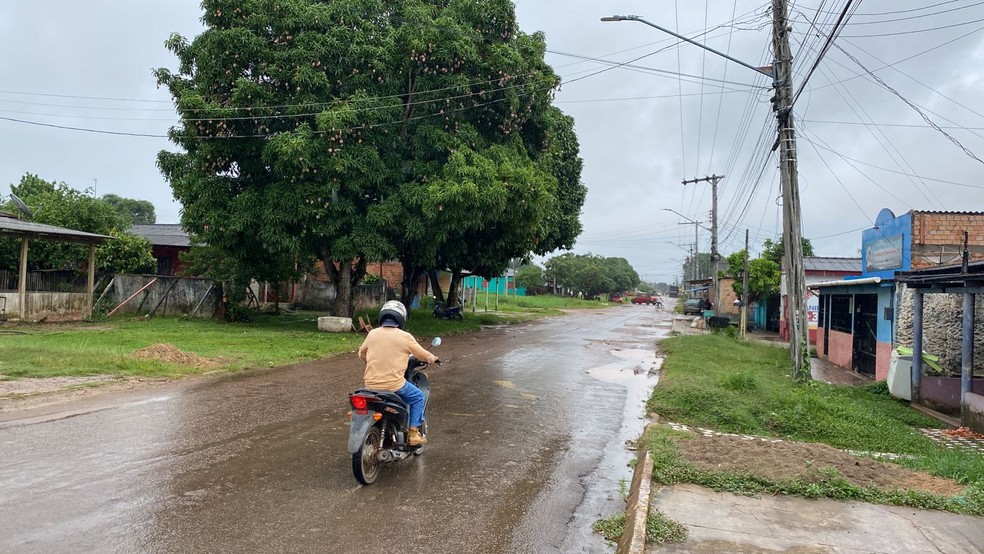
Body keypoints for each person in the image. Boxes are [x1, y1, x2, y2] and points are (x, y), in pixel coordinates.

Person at [358, 300, 439, 446]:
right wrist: (433, 358)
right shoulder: (405, 336)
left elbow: (362, 353)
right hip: (394, 385)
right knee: (418, 397)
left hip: (370, 385)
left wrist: (368, 361)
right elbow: (423, 355)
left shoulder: (373, 334)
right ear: (401, 318)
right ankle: (413, 433)